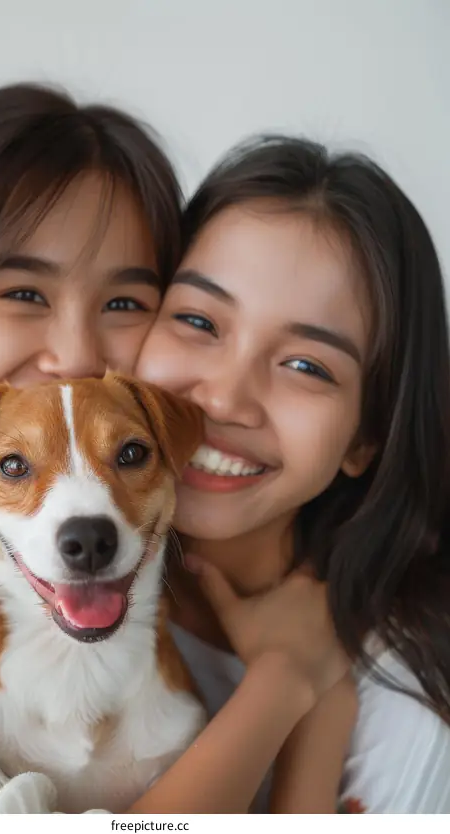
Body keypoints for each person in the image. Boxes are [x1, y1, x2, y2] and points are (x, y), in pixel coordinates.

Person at [0, 87, 347, 813]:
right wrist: (287, 683)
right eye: (23, 291)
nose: (78, 356)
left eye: (123, 304)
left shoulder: (161, 551)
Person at [135, 136, 450, 813]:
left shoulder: (405, 697)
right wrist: (293, 685)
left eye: (307, 365)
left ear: (366, 438)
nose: (223, 399)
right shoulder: (27, 572)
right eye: (196, 320)